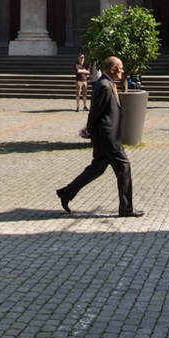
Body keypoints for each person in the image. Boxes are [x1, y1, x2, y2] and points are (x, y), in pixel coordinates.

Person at [55, 56, 144, 217]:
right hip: (107, 137)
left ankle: (66, 193)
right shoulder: (104, 85)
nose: (123, 71)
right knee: (124, 167)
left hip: (107, 136)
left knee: (96, 169)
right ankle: (126, 208)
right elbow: (95, 110)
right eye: (120, 68)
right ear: (112, 69)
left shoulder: (108, 83)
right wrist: (89, 129)